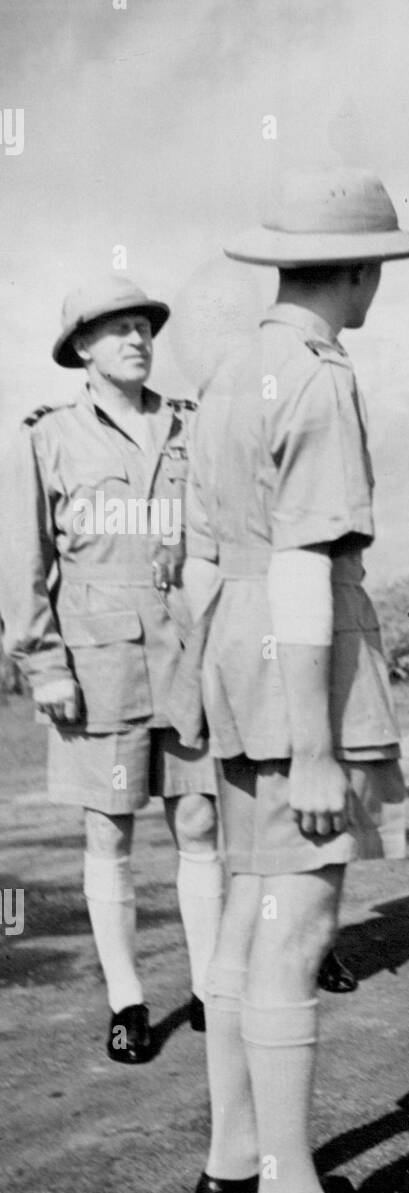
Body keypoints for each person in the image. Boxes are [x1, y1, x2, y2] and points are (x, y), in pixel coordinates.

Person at [183, 167, 409, 1193]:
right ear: (358, 271)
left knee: (244, 923)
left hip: (234, 659)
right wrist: (318, 747)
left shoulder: (232, 367)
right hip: (296, 670)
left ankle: (234, 1155)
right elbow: (300, 564)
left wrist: (215, 700)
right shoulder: (318, 379)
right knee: (295, 927)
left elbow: (200, 565)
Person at [0, 275, 221, 1064]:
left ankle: (210, 986)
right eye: (116, 329)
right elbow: (22, 564)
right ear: (81, 350)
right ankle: (127, 1000)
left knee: (199, 821)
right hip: (98, 665)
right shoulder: (46, 437)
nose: (137, 339)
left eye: (143, 327)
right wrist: (42, 665)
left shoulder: (190, 426)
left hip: (185, 655)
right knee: (110, 829)